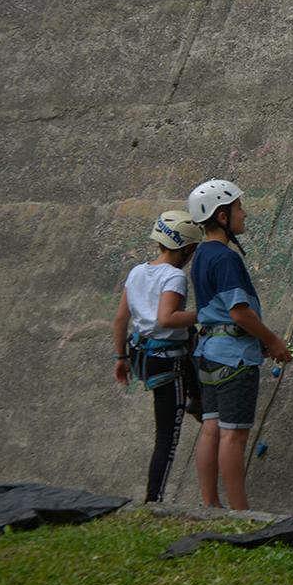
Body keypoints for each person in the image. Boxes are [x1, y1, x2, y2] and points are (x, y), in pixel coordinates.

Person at [187, 179, 292, 510]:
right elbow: (239, 313)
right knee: (234, 435)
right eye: (238, 208)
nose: (243, 214)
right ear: (221, 216)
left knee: (211, 430)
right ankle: (239, 511)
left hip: (207, 354)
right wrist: (272, 340)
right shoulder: (226, 259)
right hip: (234, 359)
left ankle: (210, 505)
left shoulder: (201, 255)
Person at [112, 210, 203, 503]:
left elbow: (120, 320)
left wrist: (120, 359)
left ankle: (197, 397)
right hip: (166, 359)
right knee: (167, 436)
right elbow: (167, 318)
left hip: (140, 354)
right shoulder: (174, 277)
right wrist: (207, 314)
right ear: (188, 249)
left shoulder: (137, 271)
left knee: (190, 341)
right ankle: (154, 501)